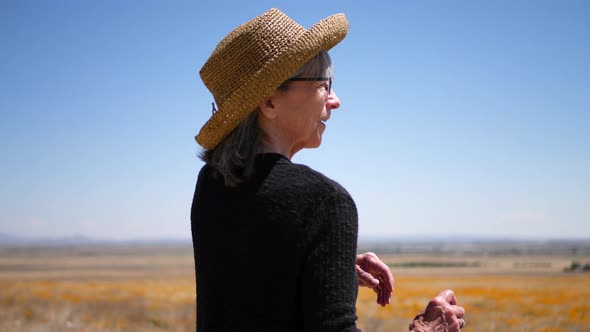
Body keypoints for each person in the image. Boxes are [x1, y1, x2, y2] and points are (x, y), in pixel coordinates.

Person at [190, 8, 465, 332]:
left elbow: (249, 287)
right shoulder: (325, 202)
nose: (335, 100)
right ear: (269, 102)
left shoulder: (212, 184)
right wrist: (427, 329)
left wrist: (328, 266)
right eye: (323, 83)